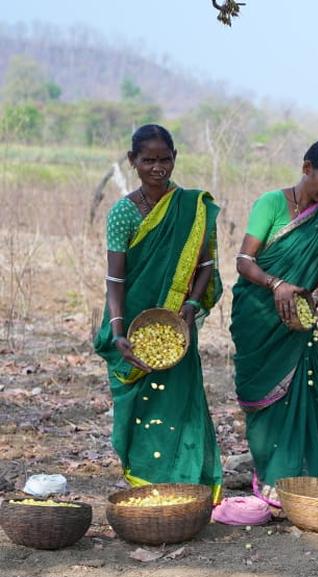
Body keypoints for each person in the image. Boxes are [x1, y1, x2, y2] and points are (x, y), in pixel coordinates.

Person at [94, 124, 223, 497]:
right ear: (133, 161)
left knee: (180, 401)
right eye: (148, 160)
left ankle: (185, 482)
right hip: (134, 321)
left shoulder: (193, 208)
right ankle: (146, 479)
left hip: (177, 322)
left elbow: (206, 265)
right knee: (138, 403)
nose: (157, 167)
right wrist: (119, 330)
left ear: (175, 158)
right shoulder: (123, 213)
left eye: (164, 159)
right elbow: (115, 278)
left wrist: (192, 304)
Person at [231, 139, 318, 506]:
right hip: (259, 315)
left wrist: (315, 296)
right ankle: (268, 472)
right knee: (263, 398)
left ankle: (299, 476)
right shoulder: (270, 203)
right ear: (306, 167)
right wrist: (277, 285)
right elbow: (244, 260)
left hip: (298, 323)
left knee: (302, 395)